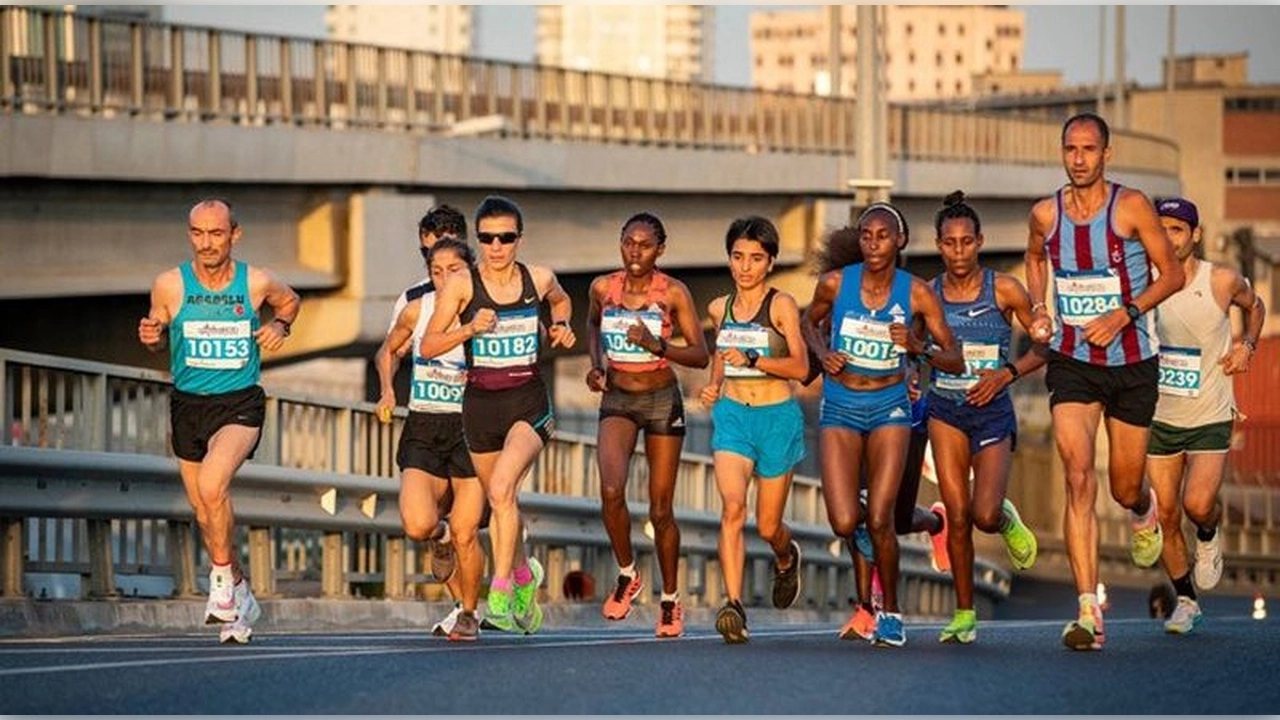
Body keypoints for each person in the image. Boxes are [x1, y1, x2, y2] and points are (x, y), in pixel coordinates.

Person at [1025, 112, 1185, 651]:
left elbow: (1173, 274)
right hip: (1072, 360)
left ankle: (1143, 513)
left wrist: (1125, 313)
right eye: (1070, 148)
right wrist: (1038, 312)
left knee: (1122, 486)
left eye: (1088, 149)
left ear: (1106, 154)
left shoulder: (1132, 206)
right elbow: (1032, 258)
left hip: (1133, 360)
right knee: (1076, 475)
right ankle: (1088, 611)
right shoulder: (1046, 214)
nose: (1078, 159)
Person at [138, 198, 300, 644]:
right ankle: (240, 596)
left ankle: (222, 583)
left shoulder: (256, 281)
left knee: (213, 486)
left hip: (239, 404)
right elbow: (156, 335)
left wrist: (280, 327)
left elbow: (290, 302)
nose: (206, 243)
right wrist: (152, 335)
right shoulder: (170, 284)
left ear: (234, 234)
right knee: (206, 511)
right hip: (188, 406)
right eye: (198, 233)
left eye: (216, 233)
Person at [802, 201, 963, 647]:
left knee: (880, 519)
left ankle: (889, 613)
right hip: (840, 405)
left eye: (883, 236)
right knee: (842, 519)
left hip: (890, 406)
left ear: (900, 241)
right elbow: (807, 321)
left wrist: (916, 345)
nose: (873, 244)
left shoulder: (916, 294)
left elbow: (954, 356)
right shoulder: (835, 284)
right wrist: (822, 352)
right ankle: (872, 594)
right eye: (867, 236)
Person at [420, 195, 575, 635]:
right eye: (487, 238)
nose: (496, 246)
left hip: (528, 402)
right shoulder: (462, 286)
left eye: (505, 237)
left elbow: (562, 302)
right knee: (501, 501)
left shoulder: (538, 278)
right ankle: (527, 574)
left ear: (519, 240)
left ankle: (502, 594)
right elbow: (428, 346)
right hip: (480, 407)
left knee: (504, 487)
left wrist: (561, 325)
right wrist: (469, 329)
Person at [926, 190, 1045, 644]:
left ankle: (1006, 519)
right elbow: (918, 350)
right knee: (957, 515)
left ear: (980, 241)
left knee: (983, 513)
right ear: (939, 245)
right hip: (946, 411)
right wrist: (917, 372)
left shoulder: (1005, 289)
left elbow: (1042, 347)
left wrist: (1006, 373)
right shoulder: (929, 294)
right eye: (949, 243)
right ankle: (963, 614)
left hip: (992, 412)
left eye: (966, 242)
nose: (958, 252)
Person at [585, 212, 710, 638]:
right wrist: (596, 366)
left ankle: (671, 601)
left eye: (645, 244)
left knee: (660, 508)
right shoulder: (603, 288)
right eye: (628, 242)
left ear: (660, 249)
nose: (635, 251)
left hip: (661, 399)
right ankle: (627, 572)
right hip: (618, 396)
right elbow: (591, 324)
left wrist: (657, 344)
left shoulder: (673, 293)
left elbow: (700, 354)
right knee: (610, 489)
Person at [1146, 197, 1265, 635]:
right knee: (1165, 515)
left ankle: (1210, 535)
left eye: (1177, 229)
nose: (1168, 238)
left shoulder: (1220, 280)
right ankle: (1186, 600)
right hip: (1160, 416)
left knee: (1197, 505)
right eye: (1161, 230)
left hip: (1210, 412)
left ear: (1194, 235)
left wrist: (1247, 346)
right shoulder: (1145, 282)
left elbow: (1255, 307)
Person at [698, 216, 811, 644]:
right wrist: (712, 387)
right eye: (738, 256)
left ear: (771, 262)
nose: (745, 266)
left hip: (777, 419)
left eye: (756, 259)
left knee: (768, 527)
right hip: (733, 417)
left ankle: (786, 557)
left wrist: (755, 359)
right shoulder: (718, 307)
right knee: (731, 509)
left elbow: (800, 367)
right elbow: (720, 357)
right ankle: (734, 605)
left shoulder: (780, 305)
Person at [375, 230, 492, 641]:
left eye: (454, 270)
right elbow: (388, 350)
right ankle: (438, 539)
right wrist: (388, 389)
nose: (444, 279)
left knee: (466, 530)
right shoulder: (417, 310)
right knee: (418, 523)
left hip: (471, 429)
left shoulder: (487, 311)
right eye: (436, 271)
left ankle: (469, 612)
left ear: (470, 272)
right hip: (424, 424)